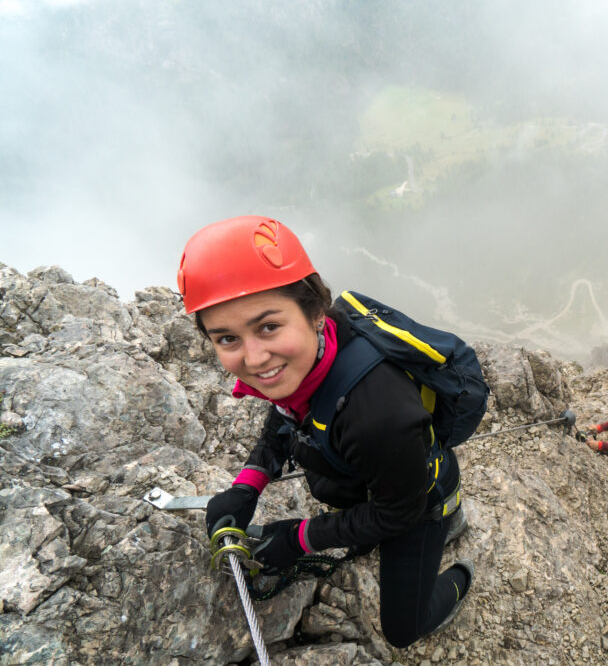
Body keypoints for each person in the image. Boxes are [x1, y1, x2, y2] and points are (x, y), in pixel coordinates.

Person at [178, 215, 472, 647]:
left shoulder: (378, 415)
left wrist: (300, 538)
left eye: (268, 327)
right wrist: (247, 485)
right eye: (226, 339)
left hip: (416, 497)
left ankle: (459, 563)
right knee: (336, 487)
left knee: (403, 631)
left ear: (315, 312)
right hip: (381, 470)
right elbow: (287, 412)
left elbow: (399, 513)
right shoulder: (315, 355)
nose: (254, 358)